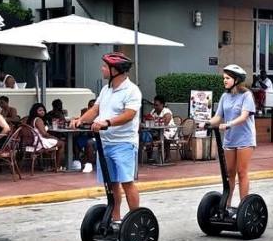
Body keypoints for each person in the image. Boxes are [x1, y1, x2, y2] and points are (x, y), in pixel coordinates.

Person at [70, 53, 142, 225]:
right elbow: (95, 110)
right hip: (105, 144)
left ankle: (136, 220)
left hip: (124, 143)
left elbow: (129, 115)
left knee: (126, 182)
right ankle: (115, 219)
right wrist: (80, 120)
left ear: (115, 70)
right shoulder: (106, 89)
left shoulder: (132, 90)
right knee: (111, 184)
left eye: (104, 66)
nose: (102, 69)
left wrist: (107, 122)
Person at [206, 64, 257, 215]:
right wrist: (206, 123)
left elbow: (243, 116)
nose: (225, 81)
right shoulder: (224, 96)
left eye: (227, 78)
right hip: (230, 139)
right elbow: (217, 117)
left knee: (242, 172)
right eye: (224, 78)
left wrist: (228, 125)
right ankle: (225, 206)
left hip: (245, 139)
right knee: (229, 173)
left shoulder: (246, 95)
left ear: (236, 80)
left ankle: (243, 207)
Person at [26, 103, 66, 168]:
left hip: (36, 141)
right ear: (35, 111)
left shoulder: (32, 119)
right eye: (40, 110)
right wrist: (54, 137)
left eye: (43, 110)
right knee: (62, 143)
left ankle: (49, 165)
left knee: (56, 141)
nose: (42, 112)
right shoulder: (38, 120)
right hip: (40, 142)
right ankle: (57, 166)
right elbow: (44, 134)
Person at [142, 95, 174, 163]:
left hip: (169, 130)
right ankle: (150, 157)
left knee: (163, 137)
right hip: (156, 130)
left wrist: (154, 120)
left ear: (162, 105)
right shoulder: (153, 111)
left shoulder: (166, 112)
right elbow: (148, 119)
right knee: (147, 135)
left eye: (157, 105)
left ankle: (167, 156)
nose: (155, 107)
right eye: (154, 105)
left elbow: (165, 123)